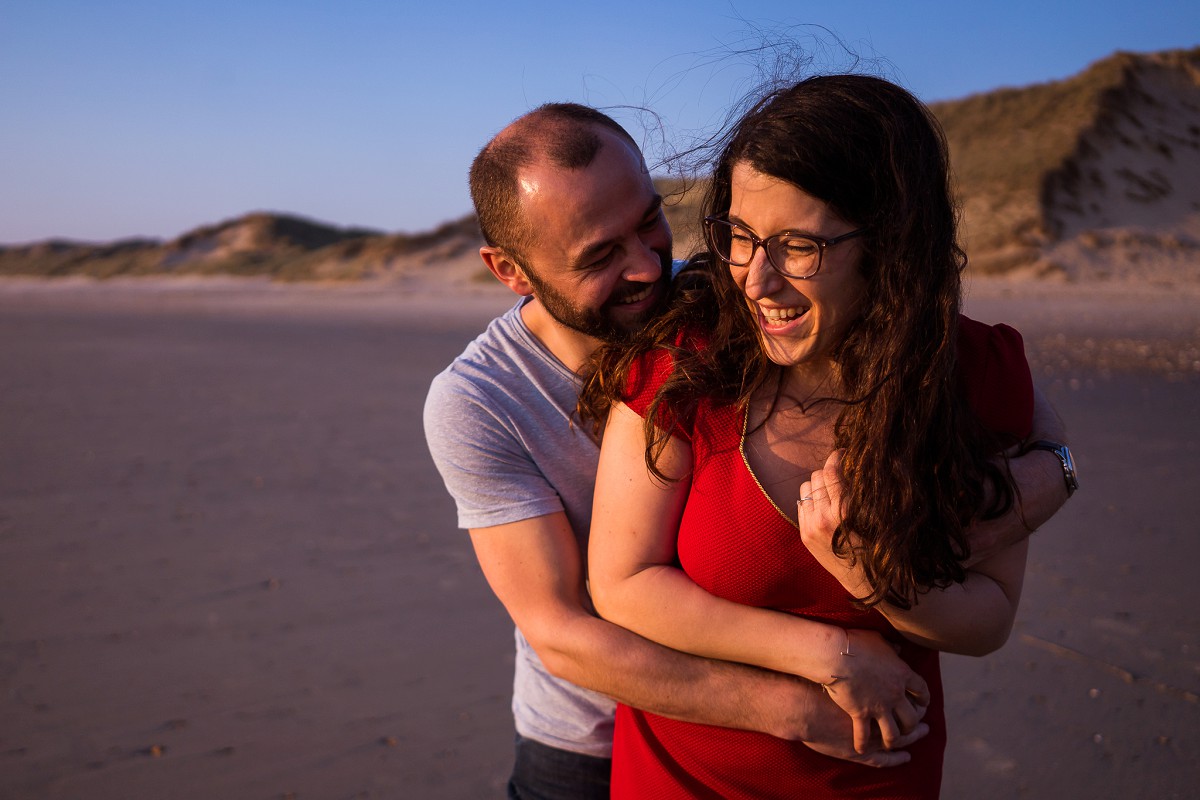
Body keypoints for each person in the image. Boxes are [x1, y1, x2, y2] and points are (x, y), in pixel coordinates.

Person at [424, 101, 1070, 798]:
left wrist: (1054, 473)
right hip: (587, 736)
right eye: (601, 257)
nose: (649, 267)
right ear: (510, 270)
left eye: (649, 223)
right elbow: (562, 629)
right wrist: (808, 692)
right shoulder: (481, 401)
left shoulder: (712, 309)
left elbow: (1027, 426)